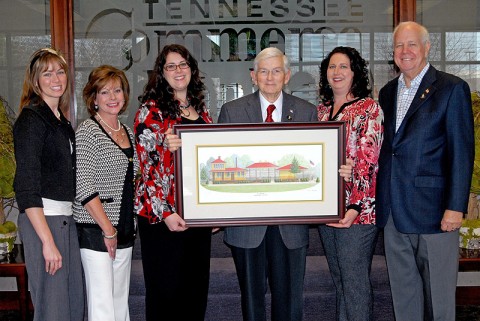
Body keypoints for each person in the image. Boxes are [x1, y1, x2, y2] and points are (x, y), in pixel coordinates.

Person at [376, 21, 474, 321]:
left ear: (427, 47)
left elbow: (462, 152)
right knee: (404, 299)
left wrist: (455, 208)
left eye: (412, 44)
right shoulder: (387, 92)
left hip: (435, 214)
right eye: (399, 46)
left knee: (440, 302)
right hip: (393, 211)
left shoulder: (452, 88)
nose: (405, 52)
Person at [217, 47, 316, 321]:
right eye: (263, 71)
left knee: (290, 304)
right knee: (252, 302)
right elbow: (222, 164)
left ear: (287, 76)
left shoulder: (307, 112)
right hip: (246, 227)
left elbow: (315, 165)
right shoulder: (231, 111)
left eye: (276, 71)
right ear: (253, 76)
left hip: (291, 226)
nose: (269, 77)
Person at [134, 44, 213, 321]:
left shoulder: (201, 111)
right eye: (171, 66)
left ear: (191, 69)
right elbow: (147, 168)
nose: (178, 70)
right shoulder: (150, 112)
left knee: (195, 293)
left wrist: (214, 211)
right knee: (166, 294)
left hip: (197, 214)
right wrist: (166, 213)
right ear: (162, 73)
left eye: (183, 64)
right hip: (163, 219)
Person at [13, 48, 84, 321]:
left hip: (65, 220)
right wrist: (47, 241)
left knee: (73, 305)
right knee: (53, 310)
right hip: (44, 223)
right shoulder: (32, 119)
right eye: (47, 72)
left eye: (60, 71)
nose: (56, 78)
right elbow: (26, 187)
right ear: (35, 80)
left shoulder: (62, 123)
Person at [316, 46, 383, 321]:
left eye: (344, 66)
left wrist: (354, 206)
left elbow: (370, 162)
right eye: (332, 67)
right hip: (327, 210)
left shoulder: (369, 108)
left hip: (358, 214)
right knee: (341, 282)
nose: (337, 72)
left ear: (355, 72)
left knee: (354, 285)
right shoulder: (320, 112)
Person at [73, 65, 139, 321]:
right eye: (104, 92)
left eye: (117, 90)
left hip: (124, 227)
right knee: (102, 306)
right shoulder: (88, 131)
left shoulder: (128, 132)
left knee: (120, 301)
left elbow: (135, 180)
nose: (113, 97)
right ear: (94, 98)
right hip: (96, 230)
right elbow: (84, 187)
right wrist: (107, 230)